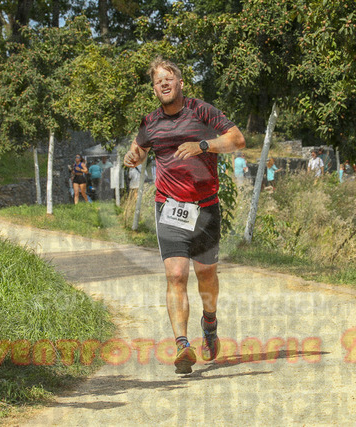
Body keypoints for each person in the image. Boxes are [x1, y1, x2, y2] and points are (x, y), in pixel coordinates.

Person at [123, 57, 245, 374]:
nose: (163, 84)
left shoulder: (201, 111)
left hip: (205, 207)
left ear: (180, 83)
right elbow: (138, 151)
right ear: (154, 89)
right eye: (157, 81)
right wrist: (131, 157)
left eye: (168, 79)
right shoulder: (150, 122)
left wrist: (202, 145)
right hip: (170, 208)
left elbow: (237, 140)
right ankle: (182, 346)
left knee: (206, 276)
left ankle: (210, 321)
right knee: (176, 275)